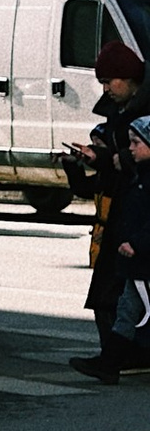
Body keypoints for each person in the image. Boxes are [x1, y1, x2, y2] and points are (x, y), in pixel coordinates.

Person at [70, 26, 150, 383]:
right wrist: (94, 161)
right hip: (124, 210)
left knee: (125, 293)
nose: (105, 88)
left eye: (110, 80)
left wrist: (113, 159)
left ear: (130, 78)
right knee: (123, 295)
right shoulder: (121, 111)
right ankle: (115, 358)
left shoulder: (139, 116)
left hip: (135, 217)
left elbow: (129, 162)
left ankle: (116, 359)